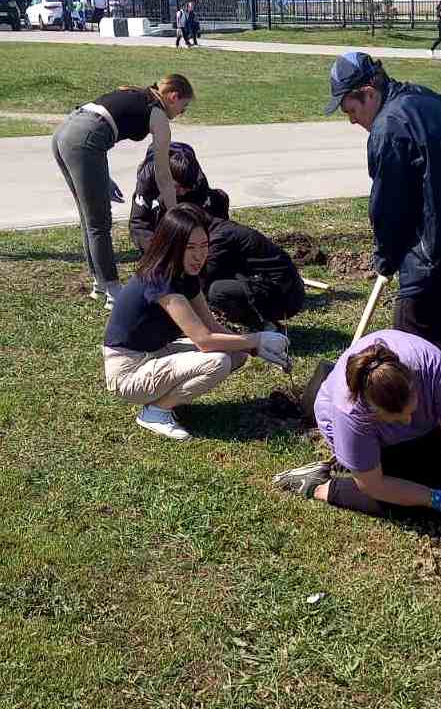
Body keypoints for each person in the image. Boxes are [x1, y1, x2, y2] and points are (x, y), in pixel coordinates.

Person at [324, 51, 441, 368]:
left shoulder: (388, 128)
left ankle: (418, 414)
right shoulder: (427, 98)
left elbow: (389, 206)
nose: (351, 119)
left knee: (411, 350)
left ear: (369, 94)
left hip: (430, 255)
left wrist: (386, 257)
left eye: (351, 109)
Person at [272, 330, 441, 550]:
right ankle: (320, 485)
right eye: (397, 417)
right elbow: (374, 486)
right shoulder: (351, 413)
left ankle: (376, 459)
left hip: (418, 422)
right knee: (411, 500)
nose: (408, 420)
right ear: (373, 411)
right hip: (359, 432)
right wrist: (432, 498)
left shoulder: (434, 370)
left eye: (412, 409)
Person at [103, 204, 291, 442]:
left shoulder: (186, 274)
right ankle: (156, 411)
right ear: (172, 245)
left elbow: (211, 326)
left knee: (236, 355)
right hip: (128, 371)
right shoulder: (160, 279)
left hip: (153, 353)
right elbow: (203, 340)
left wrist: (253, 348)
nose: (199, 255)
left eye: (204, 246)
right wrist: (258, 338)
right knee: (218, 361)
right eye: (190, 247)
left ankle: (164, 399)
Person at [52, 74, 194, 309]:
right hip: (84, 139)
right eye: (184, 107)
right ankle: (113, 291)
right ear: (173, 96)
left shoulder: (136, 93)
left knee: (89, 221)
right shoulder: (158, 114)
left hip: (65, 132)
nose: (182, 113)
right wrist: (174, 210)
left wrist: (100, 176)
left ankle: (100, 285)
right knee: (99, 224)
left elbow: (95, 122)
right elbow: (163, 174)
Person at [201, 215, 305, 331]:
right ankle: (263, 321)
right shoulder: (222, 228)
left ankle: (263, 326)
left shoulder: (220, 238)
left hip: (285, 296)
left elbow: (203, 279)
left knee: (216, 291)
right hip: (285, 289)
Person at [129, 141, 229, 254]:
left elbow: (208, 219)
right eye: (177, 187)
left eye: (186, 189)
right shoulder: (147, 177)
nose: (181, 193)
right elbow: (139, 223)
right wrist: (157, 252)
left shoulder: (198, 181)